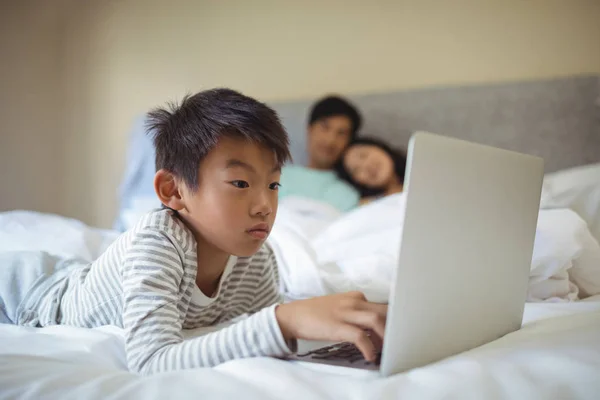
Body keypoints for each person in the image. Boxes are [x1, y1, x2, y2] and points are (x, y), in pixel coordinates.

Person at [0, 89, 386, 375]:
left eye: (272, 185)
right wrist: (284, 321)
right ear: (173, 191)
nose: (264, 206)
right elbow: (151, 359)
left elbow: (265, 317)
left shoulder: (257, 257)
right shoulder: (159, 242)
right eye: (239, 183)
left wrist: (347, 323)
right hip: (31, 292)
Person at [278, 96, 362, 211]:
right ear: (310, 129)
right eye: (325, 127)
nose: (330, 140)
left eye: (341, 133)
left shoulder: (350, 194)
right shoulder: (277, 176)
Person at [335, 137, 407, 205]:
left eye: (363, 155)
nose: (366, 166)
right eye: (356, 170)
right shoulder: (371, 208)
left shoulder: (417, 166)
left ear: (378, 147)